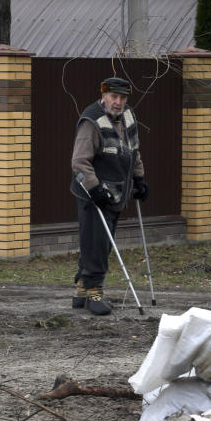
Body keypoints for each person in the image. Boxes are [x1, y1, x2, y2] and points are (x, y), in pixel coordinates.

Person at [69, 76, 148, 316]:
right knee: (97, 242)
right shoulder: (92, 122)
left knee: (101, 242)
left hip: (116, 192)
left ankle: (82, 290)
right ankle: (94, 291)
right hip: (95, 193)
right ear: (104, 96)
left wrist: (139, 178)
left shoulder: (128, 116)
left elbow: (132, 149)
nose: (118, 102)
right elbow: (79, 162)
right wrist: (95, 189)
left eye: (122, 98)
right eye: (114, 97)